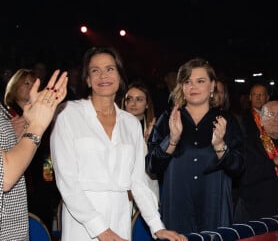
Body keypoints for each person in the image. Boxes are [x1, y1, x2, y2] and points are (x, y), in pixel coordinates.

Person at [50, 46, 187, 241]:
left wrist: (157, 227)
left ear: (120, 76)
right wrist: (100, 229)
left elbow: (138, 182)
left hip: (120, 215)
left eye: (110, 69)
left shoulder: (130, 123)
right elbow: (67, 181)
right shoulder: (68, 114)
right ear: (87, 79)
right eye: (95, 70)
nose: (103, 75)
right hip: (81, 221)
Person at [146, 57, 245, 234]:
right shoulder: (169, 118)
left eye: (200, 81)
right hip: (177, 212)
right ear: (181, 87)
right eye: (187, 82)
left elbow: (238, 168)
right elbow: (152, 166)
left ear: (212, 85)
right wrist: (173, 139)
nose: (193, 87)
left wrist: (219, 145)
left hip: (214, 212)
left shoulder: (227, 121)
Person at [0, 69, 68, 241]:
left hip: (40, 168)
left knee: (45, 201)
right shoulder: (9, 112)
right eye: (26, 83)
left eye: (33, 82)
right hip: (22, 181)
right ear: (14, 87)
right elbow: (5, 176)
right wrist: (36, 125)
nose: (30, 87)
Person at [234, 100, 278, 222]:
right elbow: (245, 178)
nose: (276, 119)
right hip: (255, 214)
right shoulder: (248, 143)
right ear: (261, 119)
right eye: (271, 115)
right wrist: (275, 161)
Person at [121, 81, 159, 211]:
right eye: (129, 99)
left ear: (147, 104)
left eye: (139, 99)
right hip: (123, 191)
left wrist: (147, 142)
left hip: (147, 187)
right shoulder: (115, 128)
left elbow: (155, 166)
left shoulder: (155, 129)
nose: (133, 103)